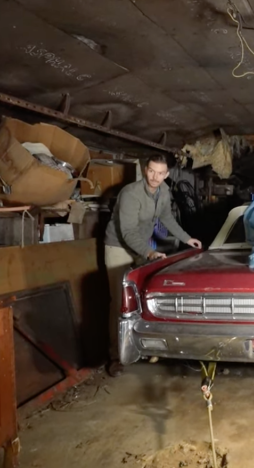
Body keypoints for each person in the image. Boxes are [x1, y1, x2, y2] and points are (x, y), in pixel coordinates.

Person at [103, 154, 202, 374]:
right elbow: (127, 231)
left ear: (166, 174)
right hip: (119, 246)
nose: (155, 177)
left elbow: (167, 217)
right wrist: (149, 252)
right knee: (120, 301)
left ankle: (142, 344)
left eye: (160, 173)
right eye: (151, 171)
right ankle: (115, 355)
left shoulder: (164, 191)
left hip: (141, 248)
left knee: (143, 296)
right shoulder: (130, 193)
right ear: (144, 169)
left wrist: (187, 238)